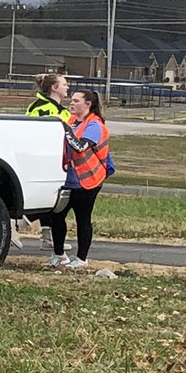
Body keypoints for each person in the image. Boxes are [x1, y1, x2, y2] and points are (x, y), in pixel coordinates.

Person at [49, 89, 112, 271]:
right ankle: (59, 255)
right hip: (68, 179)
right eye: (72, 99)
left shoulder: (95, 125)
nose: (72, 102)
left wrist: (65, 129)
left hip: (88, 180)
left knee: (82, 218)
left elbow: (80, 146)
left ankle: (82, 258)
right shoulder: (71, 120)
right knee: (57, 216)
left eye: (76, 100)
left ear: (87, 104)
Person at [25, 73, 73, 250]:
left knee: (52, 198)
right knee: (49, 197)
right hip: (44, 159)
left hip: (53, 159)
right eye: (64, 84)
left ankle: (47, 237)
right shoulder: (45, 108)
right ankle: (21, 223)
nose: (67, 87)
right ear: (54, 88)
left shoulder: (58, 109)